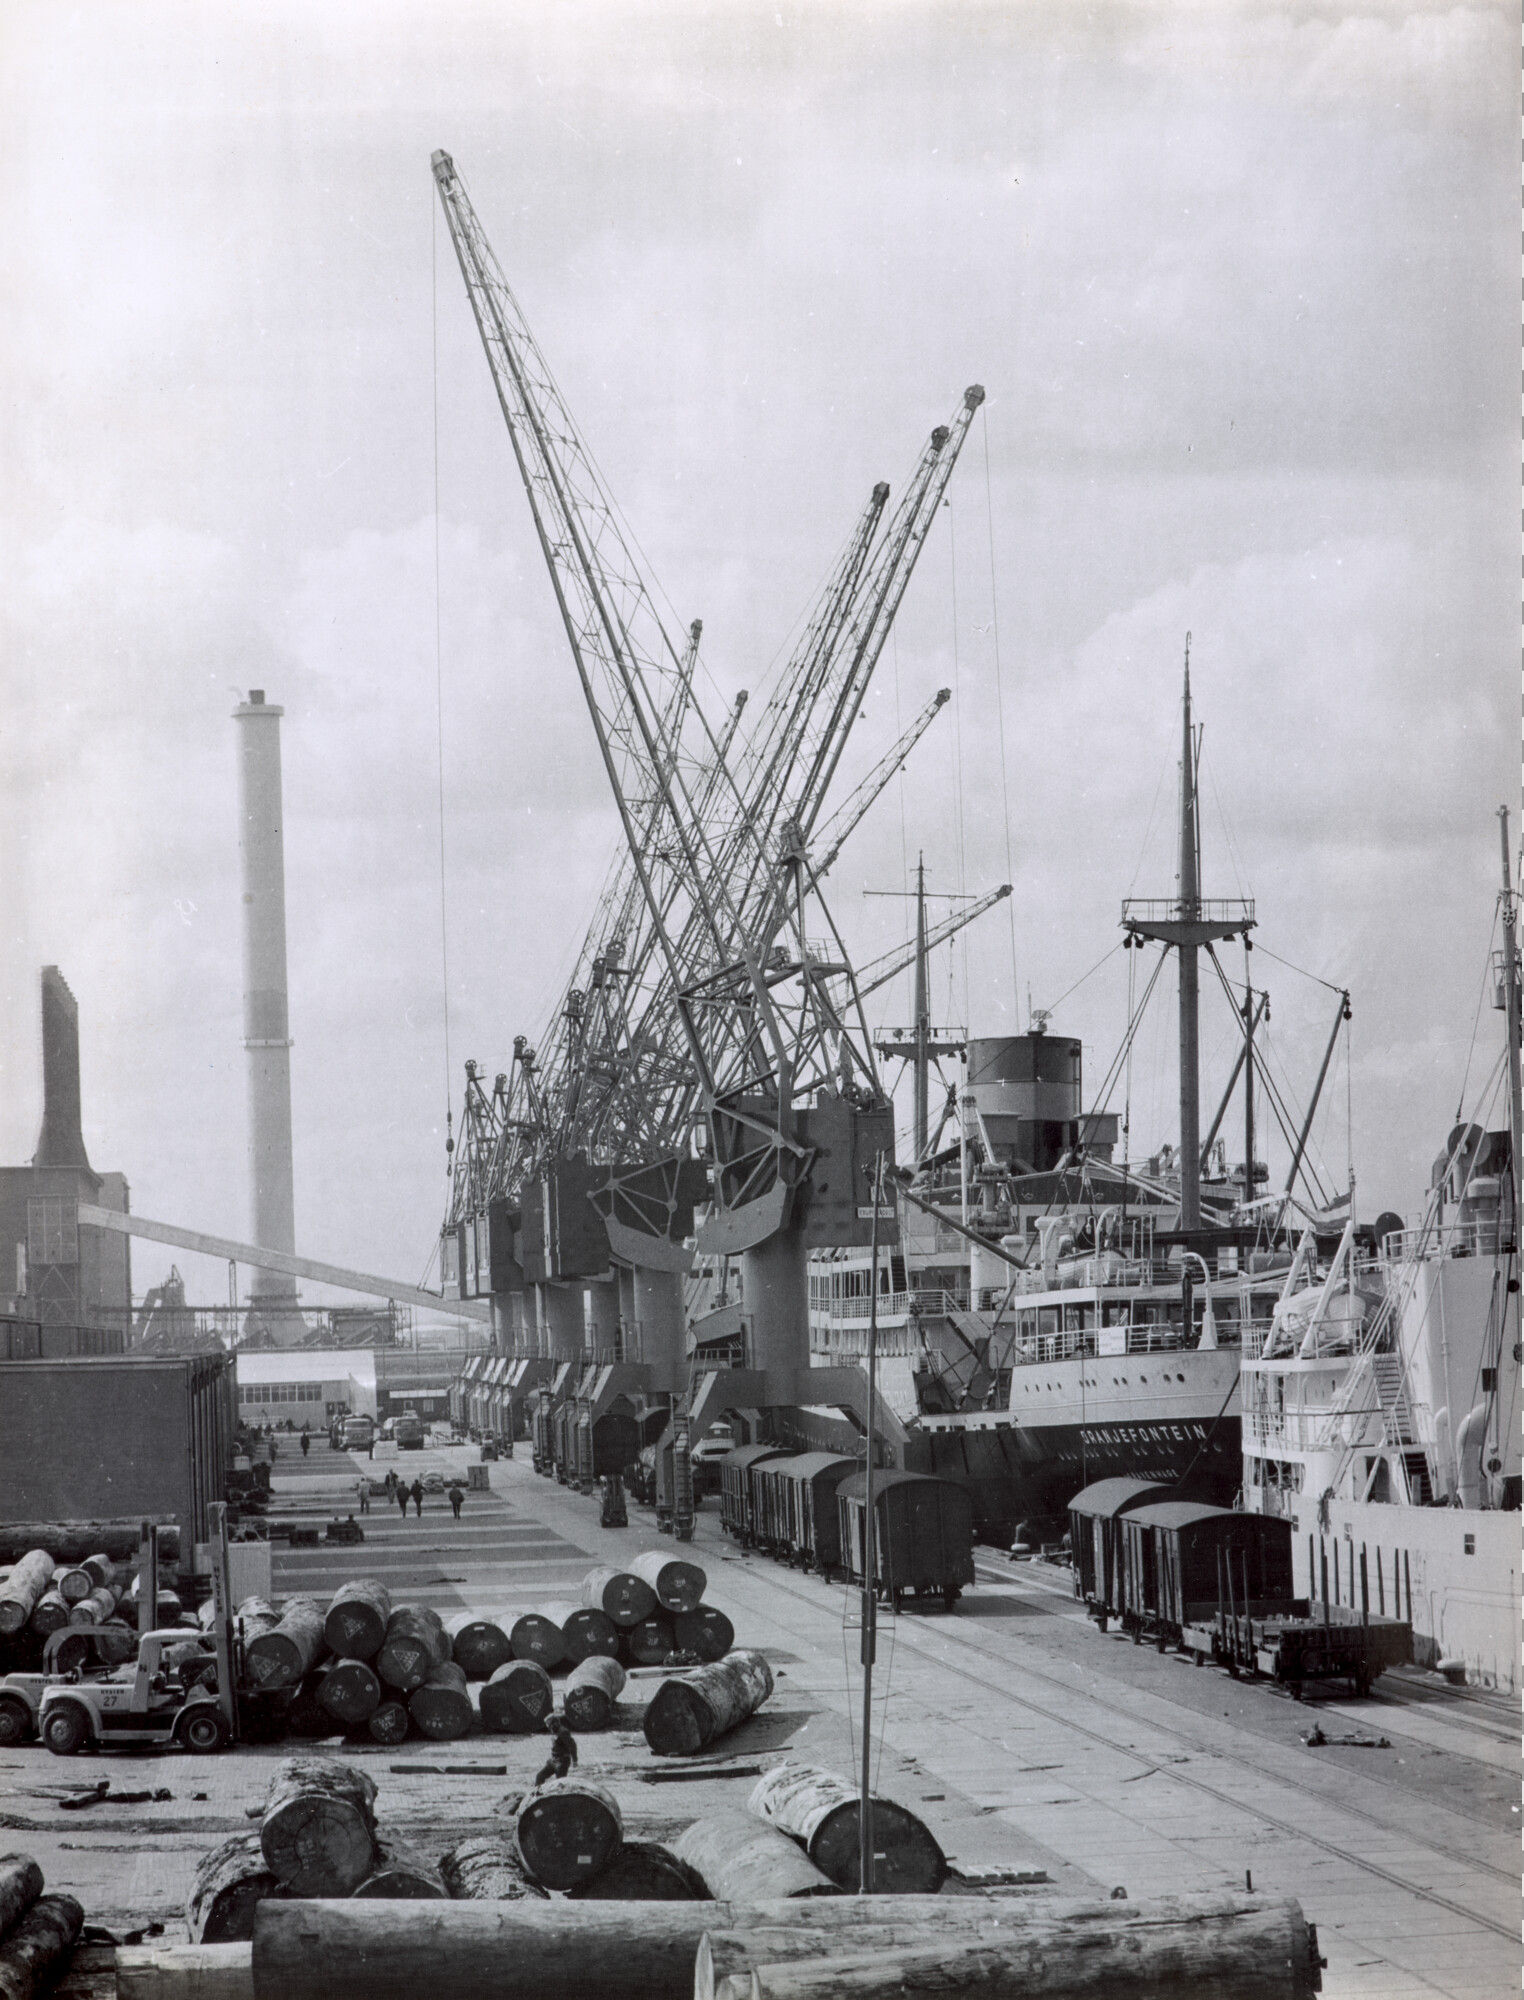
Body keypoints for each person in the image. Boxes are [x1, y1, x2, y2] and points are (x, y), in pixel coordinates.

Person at [533, 1713, 578, 1789]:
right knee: (540, 1776)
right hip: (553, 1760)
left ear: (555, 1723)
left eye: (549, 1725)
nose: (549, 1728)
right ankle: (537, 1794)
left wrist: (575, 1760)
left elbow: (572, 1746)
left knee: (560, 1784)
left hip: (562, 1762)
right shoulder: (555, 1731)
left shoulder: (563, 1732)